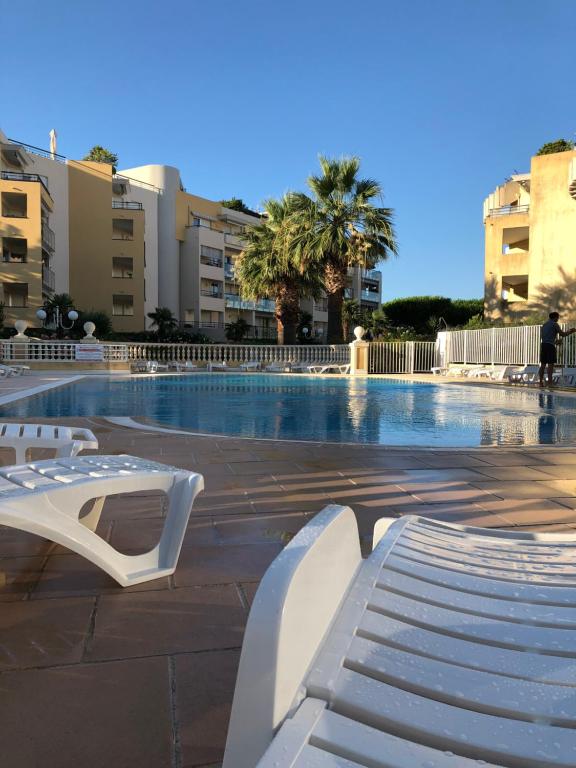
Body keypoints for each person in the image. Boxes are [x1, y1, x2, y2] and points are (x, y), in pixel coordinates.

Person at [539, 311, 576, 387]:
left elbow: (546, 338)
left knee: (543, 365)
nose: (558, 319)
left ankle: (540, 382)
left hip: (544, 345)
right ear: (555, 317)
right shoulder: (554, 324)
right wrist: (571, 331)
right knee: (550, 365)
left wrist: (556, 342)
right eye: (558, 318)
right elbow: (562, 334)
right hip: (550, 347)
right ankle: (550, 383)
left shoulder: (544, 325)